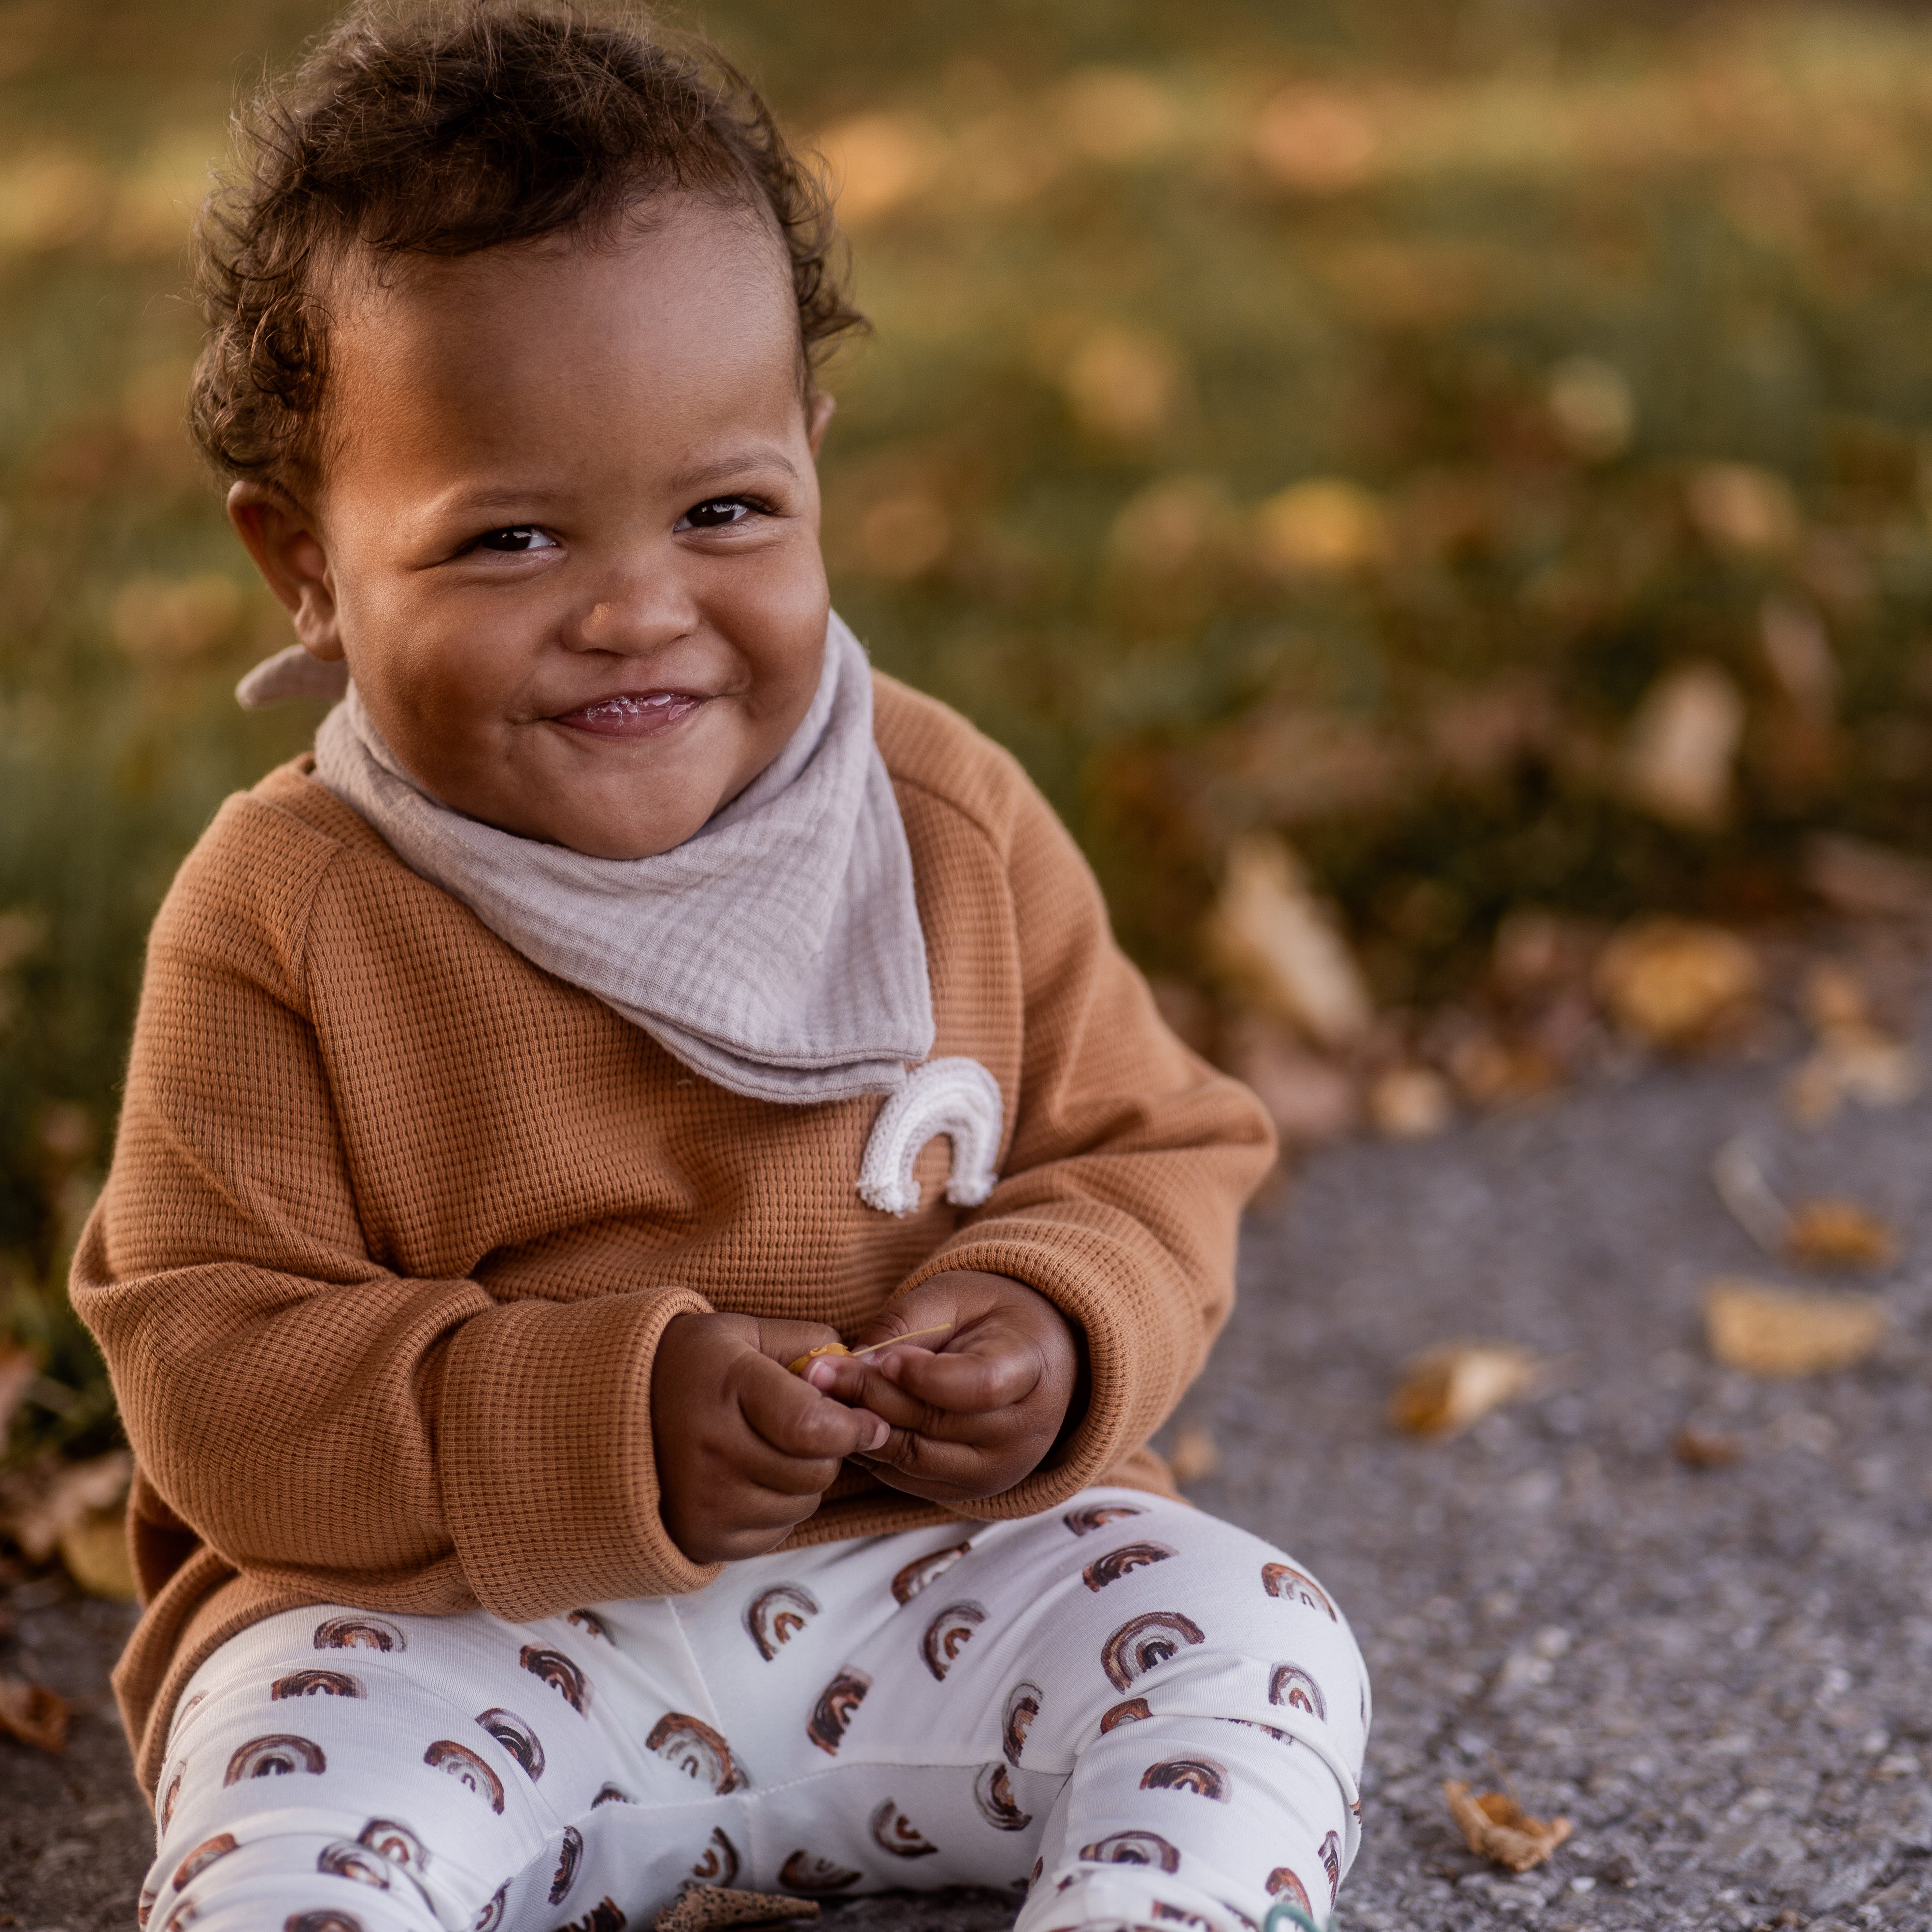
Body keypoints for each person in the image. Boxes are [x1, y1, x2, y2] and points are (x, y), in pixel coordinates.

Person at [73, 7, 1368, 1930]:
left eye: (723, 511)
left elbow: (1152, 1152)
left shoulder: (938, 812)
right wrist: (611, 1412)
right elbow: (220, 1366)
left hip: (923, 1583)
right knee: (290, 1799)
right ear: (305, 565)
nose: (634, 608)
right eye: (509, 537)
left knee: (1256, 1638)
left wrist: (1050, 1321)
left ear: (812, 464)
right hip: (459, 1633)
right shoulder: (285, 910)